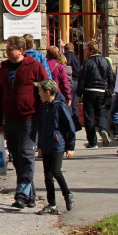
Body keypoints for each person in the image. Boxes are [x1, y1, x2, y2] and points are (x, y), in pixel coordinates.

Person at [0, 35, 48, 209]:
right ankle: (30, 195)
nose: (8, 52)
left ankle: (21, 193)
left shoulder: (34, 66)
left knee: (26, 154)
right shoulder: (3, 68)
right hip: (10, 118)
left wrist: (46, 113)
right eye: (7, 49)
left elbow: (47, 87)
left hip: (29, 117)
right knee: (17, 156)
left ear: (21, 50)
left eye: (11, 49)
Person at [33, 79, 76, 215]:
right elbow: (40, 128)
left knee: (56, 171)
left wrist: (70, 147)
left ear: (48, 92)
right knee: (47, 175)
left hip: (58, 144)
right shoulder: (43, 107)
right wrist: (39, 146)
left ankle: (67, 194)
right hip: (46, 145)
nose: (38, 93)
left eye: (40, 91)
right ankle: (52, 204)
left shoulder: (60, 106)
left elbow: (70, 127)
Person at [78, 41, 115, 149]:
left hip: (89, 90)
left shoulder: (87, 62)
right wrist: (109, 89)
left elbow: (82, 79)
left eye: (86, 49)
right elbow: (110, 76)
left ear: (91, 50)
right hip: (101, 91)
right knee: (101, 112)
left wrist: (79, 94)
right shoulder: (105, 61)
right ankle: (103, 129)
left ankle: (92, 142)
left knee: (89, 116)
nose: (85, 51)